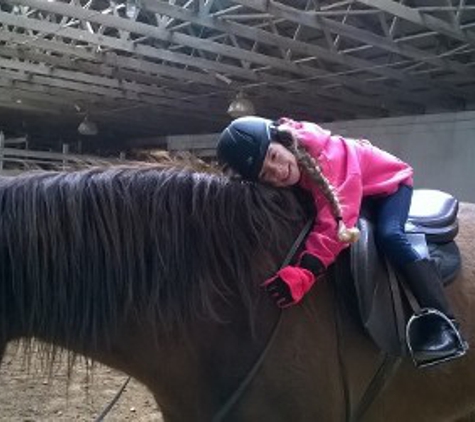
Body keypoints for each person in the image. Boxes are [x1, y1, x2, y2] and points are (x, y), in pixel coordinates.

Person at [216, 115, 467, 366]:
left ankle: (444, 323)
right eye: (266, 174)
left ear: (282, 140)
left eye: (274, 156)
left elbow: (336, 226)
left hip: (389, 187)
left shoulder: (329, 161)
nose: (279, 171)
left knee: (390, 236)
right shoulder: (293, 159)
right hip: (357, 189)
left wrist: (305, 272)